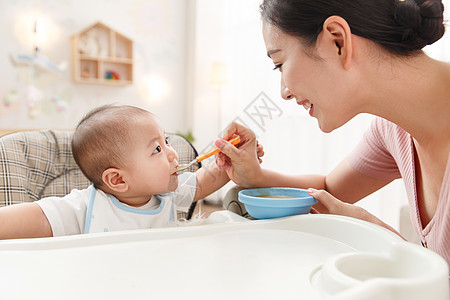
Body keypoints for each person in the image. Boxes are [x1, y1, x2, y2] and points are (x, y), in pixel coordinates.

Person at [214, 0, 450, 267]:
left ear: (337, 41)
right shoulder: (393, 130)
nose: (284, 92)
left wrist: (383, 239)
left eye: (279, 64)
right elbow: (329, 191)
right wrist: (254, 175)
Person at [0, 105, 232, 238]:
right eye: (158, 148)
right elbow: (34, 218)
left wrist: (231, 157)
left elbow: (203, 182)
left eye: (167, 140)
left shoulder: (168, 192)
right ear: (118, 179)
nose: (172, 153)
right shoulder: (83, 208)